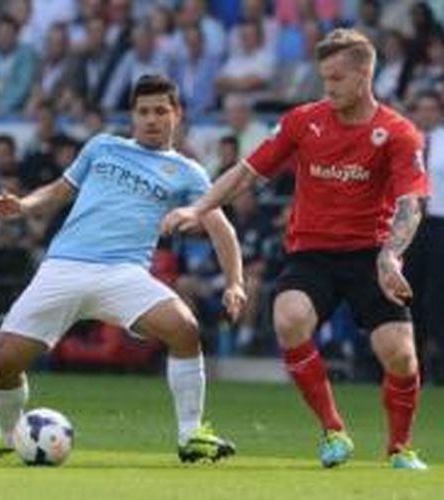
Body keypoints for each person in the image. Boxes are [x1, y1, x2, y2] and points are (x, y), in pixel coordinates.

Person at [162, 29, 429, 470]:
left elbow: (410, 203)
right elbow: (246, 172)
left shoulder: (397, 132)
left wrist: (390, 256)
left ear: (365, 75)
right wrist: (199, 208)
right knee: (288, 318)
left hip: (371, 255)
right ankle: (333, 431)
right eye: (324, 78)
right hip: (312, 253)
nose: (329, 88)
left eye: (338, 78)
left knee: (400, 354)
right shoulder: (303, 121)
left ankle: (400, 449)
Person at [0, 75, 245, 463]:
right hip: (64, 266)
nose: (151, 119)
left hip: (124, 274)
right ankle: (7, 434)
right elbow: (59, 192)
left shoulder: (188, 172)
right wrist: (25, 206)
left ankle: (191, 434)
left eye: (161, 111)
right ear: (132, 115)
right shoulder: (102, 146)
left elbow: (221, 229)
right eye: (143, 111)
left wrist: (236, 283)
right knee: (5, 359)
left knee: (184, 329)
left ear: (177, 114)